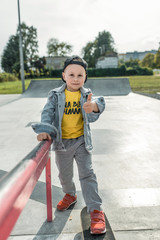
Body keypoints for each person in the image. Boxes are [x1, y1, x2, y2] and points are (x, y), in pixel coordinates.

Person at [37, 56, 106, 235]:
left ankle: (96, 211)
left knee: (87, 175)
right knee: (64, 175)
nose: (76, 79)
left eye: (80, 75)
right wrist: (44, 129)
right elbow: (47, 112)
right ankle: (70, 194)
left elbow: (98, 103)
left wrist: (94, 107)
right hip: (62, 143)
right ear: (64, 76)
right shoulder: (55, 95)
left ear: (85, 77)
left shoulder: (86, 94)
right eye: (72, 75)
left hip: (82, 141)